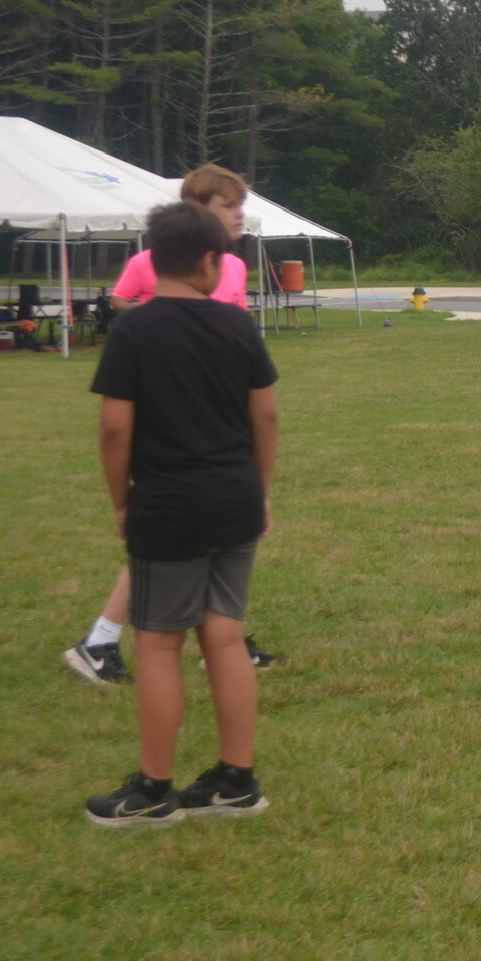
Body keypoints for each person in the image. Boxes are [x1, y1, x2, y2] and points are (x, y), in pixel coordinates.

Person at [82, 201, 279, 827]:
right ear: (208, 262)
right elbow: (266, 415)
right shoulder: (238, 327)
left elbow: (115, 428)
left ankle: (154, 790)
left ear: (154, 260)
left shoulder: (134, 332)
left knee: (159, 645)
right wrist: (260, 491)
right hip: (235, 499)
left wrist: (121, 499)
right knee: (225, 634)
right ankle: (237, 780)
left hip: (170, 505)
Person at [64, 164, 283, 685]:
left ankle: (215, 641)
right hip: (176, 431)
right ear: (197, 211)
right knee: (175, 542)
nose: (240, 214)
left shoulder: (234, 267)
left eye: (241, 204)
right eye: (228, 205)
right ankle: (103, 640)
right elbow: (132, 310)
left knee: (203, 540)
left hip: (221, 430)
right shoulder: (156, 262)